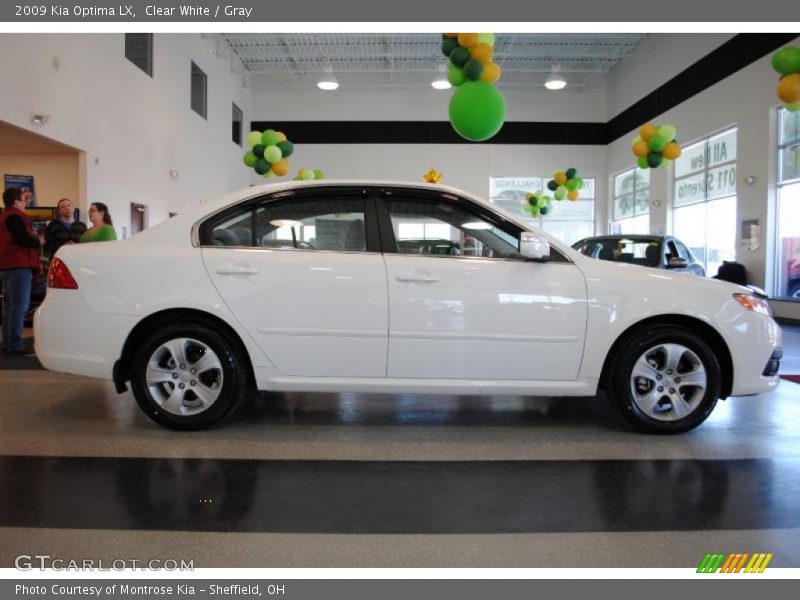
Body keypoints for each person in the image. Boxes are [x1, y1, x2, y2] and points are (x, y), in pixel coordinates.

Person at [0, 188, 40, 354]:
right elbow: (22, 239)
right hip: (17, 266)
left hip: (8, 266)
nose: (26, 202)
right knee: (19, 306)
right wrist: (38, 240)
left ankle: (8, 343)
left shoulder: (6, 216)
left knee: (11, 306)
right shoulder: (14, 216)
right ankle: (14, 344)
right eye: (24, 199)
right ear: (16, 201)